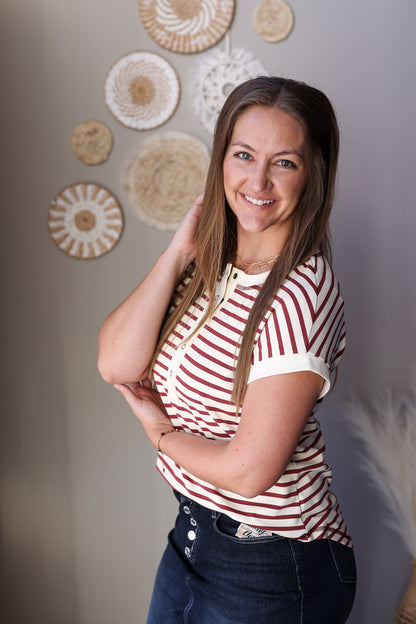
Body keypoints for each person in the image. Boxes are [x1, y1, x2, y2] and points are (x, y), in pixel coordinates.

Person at [97, 76, 356, 623]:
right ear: (221, 161)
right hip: (193, 538)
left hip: (274, 565)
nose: (257, 180)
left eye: (284, 162)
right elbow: (115, 364)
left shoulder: (302, 292)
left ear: (314, 174)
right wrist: (178, 252)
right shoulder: (209, 268)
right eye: (244, 155)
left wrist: (160, 434)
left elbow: (250, 471)